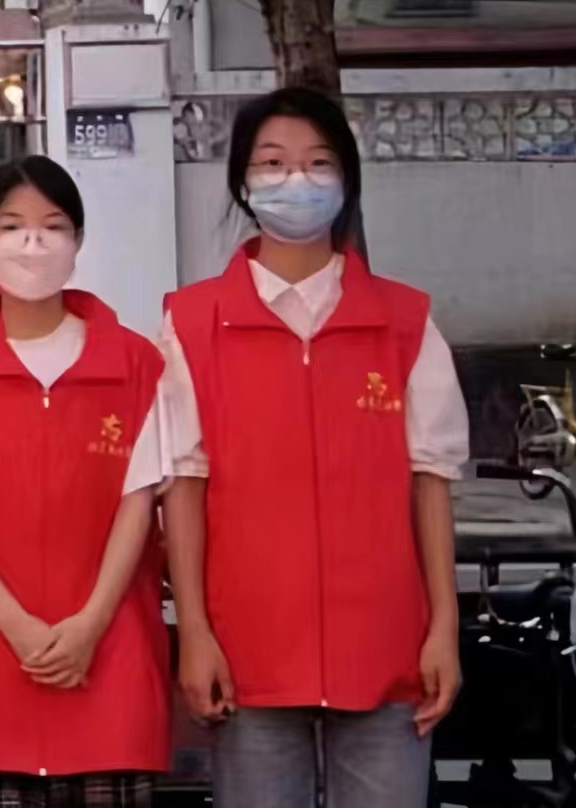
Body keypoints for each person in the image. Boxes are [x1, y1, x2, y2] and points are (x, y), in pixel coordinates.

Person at [158, 87, 468, 808]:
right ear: (242, 182)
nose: (296, 179)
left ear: (347, 180)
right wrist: (195, 633)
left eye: (318, 162)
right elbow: (184, 490)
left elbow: (430, 483)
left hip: (385, 649)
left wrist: (443, 630)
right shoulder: (193, 324)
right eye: (272, 162)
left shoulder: (403, 322)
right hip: (248, 652)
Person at [0, 157, 169, 806]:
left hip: (107, 651)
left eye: (52, 226)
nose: (32, 243)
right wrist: (18, 627)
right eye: (12, 226)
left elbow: (139, 501)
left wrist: (90, 625)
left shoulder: (135, 362)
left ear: (78, 241)